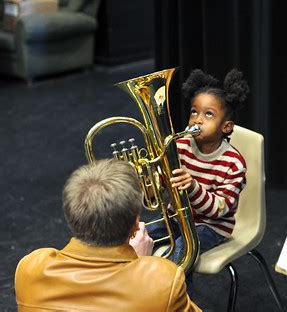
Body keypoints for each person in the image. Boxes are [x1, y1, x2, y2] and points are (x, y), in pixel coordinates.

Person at [15, 158, 201, 312]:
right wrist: (139, 267)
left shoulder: (30, 269)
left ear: (70, 215)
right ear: (136, 223)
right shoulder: (164, 279)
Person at [147, 68, 249, 267]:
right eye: (194, 111)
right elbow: (163, 189)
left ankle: (176, 297)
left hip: (211, 226)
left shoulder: (233, 164)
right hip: (177, 216)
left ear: (226, 127)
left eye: (208, 114)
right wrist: (153, 183)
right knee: (138, 237)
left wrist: (192, 187)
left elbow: (219, 210)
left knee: (181, 252)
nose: (198, 119)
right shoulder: (180, 144)